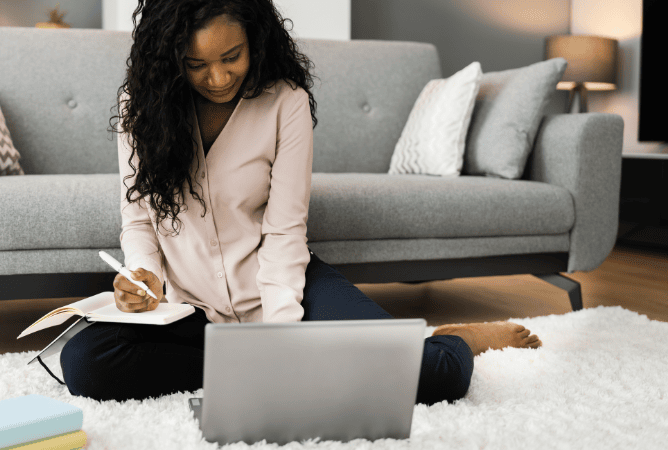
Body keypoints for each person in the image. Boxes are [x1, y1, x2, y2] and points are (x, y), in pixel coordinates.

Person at [60, 0, 541, 404]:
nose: (218, 77)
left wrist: (282, 340)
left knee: (433, 378)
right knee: (85, 363)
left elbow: (286, 231)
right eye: (196, 64)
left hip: (285, 287)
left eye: (232, 56)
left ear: (255, 41)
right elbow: (139, 218)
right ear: (169, 57)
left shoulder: (285, 102)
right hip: (191, 310)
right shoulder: (138, 108)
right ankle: (279, 366)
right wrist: (143, 275)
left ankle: (457, 341)